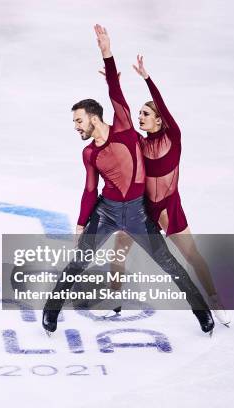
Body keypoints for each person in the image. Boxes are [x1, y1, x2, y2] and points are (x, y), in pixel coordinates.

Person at [41, 25, 214, 335]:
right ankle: (51, 311)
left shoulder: (123, 125)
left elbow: (114, 91)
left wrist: (106, 52)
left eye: (78, 120)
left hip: (137, 213)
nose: (76, 127)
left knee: (170, 265)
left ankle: (202, 312)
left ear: (94, 117)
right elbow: (90, 190)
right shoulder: (88, 154)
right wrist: (82, 224)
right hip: (105, 213)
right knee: (77, 264)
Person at [105, 55, 230, 326]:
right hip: (142, 209)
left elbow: (161, 104)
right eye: (140, 113)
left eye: (146, 114)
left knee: (191, 255)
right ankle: (114, 302)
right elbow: (121, 111)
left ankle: (214, 298)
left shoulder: (173, 136)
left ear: (160, 120)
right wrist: (112, 81)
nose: (140, 117)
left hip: (169, 206)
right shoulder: (137, 143)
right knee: (118, 251)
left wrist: (147, 79)